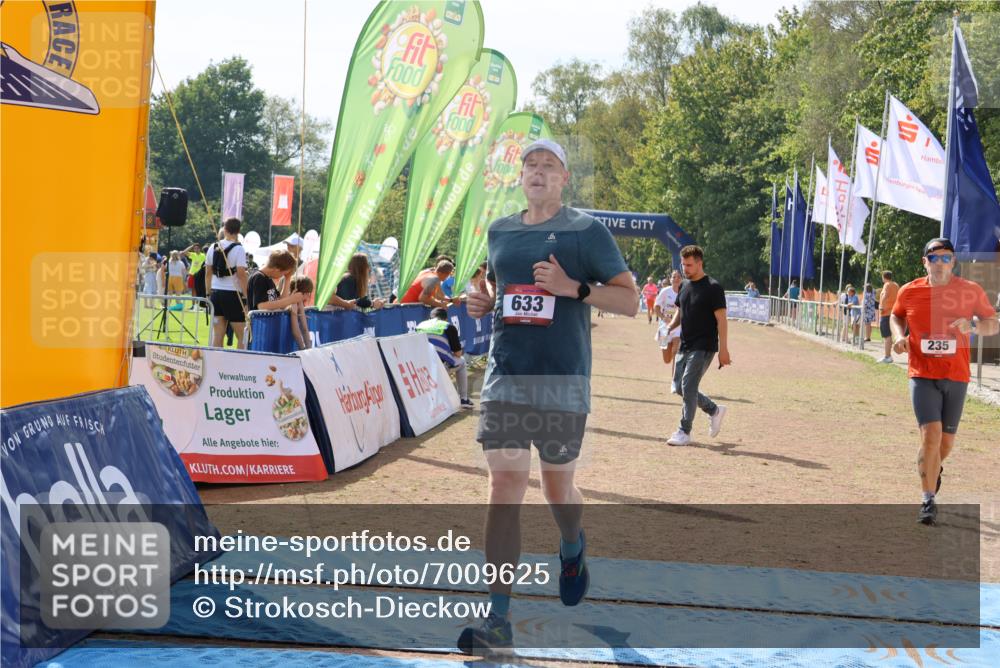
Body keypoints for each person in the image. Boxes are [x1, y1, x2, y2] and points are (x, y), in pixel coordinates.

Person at [458, 138, 637, 655]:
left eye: (549, 165)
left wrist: (573, 287)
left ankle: (572, 546)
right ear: (520, 177)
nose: (538, 172)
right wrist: (484, 302)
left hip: (562, 380)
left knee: (559, 493)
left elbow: (627, 300)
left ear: (564, 179)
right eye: (530, 165)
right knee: (505, 485)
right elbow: (501, 294)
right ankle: (498, 619)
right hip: (506, 377)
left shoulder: (587, 232)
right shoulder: (500, 231)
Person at [890, 238, 998, 525]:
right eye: (934, 258)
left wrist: (973, 325)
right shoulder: (909, 291)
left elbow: (993, 322)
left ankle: (932, 470)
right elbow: (896, 316)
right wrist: (900, 337)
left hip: (957, 375)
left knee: (945, 444)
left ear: (953, 262)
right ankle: (928, 500)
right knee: (931, 435)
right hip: (922, 373)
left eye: (945, 258)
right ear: (925, 262)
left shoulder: (970, 291)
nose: (940, 263)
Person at [665, 245, 731, 447]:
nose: (685, 268)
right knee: (678, 387)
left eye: (689, 265)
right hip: (685, 344)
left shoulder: (713, 288)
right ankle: (714, 410)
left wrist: (724, 350)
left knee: (688, 385)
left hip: (705, 345)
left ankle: (684, 431)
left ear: (700, 263)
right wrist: (670, 326)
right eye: (683, 264)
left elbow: (722, 320)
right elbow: (681, 310)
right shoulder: (684, 286)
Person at [205, 217, 249, 349]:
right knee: (241, 335)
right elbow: (241, 275)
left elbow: (208, 273)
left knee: (218, 334)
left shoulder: (213, 247)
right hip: (233, 295)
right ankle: (240, 364)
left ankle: (216, 364)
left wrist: (208, 293)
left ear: (224, 229)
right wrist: (246, 297)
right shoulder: (239, 249)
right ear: (238, 231)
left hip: (216, 294)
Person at [416, 307, 472, 408]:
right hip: (437, 369)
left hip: (420, 370)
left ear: (430, 318)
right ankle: (463, 399)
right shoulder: (448, 326)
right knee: (462, 361)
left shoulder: (420, 326)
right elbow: (458, 354)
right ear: (446, 319)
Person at [654, 270, 683, 393]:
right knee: (667, 360)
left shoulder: (684, 292)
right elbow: (656, 307)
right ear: (670, 279)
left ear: (682, 279)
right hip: (665, 328)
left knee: (677, 354)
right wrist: (663, 317)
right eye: (673, 277)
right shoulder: (665, 292)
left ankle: (674, 383)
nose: (676, 279)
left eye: (678, 277)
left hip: (678, 328)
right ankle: (670, 349)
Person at [878, 270, 900, 363]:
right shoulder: (896, 285)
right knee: (890, 336)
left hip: (886, 312)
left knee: (887, 336)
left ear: (884, 277)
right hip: (894, 312)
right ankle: (888, 355)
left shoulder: (887, 285)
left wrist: (881, 306)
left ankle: (887, 356)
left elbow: (885, 295)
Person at [288, 276, 315, 350]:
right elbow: (295, 331)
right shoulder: (293, 304)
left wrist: (309, 349)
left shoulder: (299, 303)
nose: (308, 296)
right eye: (308, 293)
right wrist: (303, 349)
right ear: (302, 292)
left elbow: (305, 329)